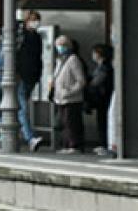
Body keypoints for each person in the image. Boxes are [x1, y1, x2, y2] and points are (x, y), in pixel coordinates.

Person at [50, 35, 87, 153]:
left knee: (71, 122)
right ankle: (67, 144)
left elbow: (81, 80)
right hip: (60, 98)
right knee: (64, 123)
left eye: (62, 45)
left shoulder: (73, 60)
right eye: (58, 46)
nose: (59, 48)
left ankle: (74, 145)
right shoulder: (60, 60)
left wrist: (69, 91)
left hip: (71, 98)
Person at [17, 11, 44, 152]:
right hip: (20, 76)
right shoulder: (21, 35)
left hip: (30, 76)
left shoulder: (37, 37)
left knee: (19, 107)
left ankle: (3, 136)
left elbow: (39, 57)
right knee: (21, 108)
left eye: (37, 20)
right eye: (33, 20)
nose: (36, 23)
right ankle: (30, 137)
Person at [87, 44, 114, 156]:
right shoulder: (103, 67)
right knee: (102, 120)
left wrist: (90, 84)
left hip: (103, 96)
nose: (93, 55)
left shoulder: (104, 67)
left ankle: (105, 143)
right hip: (103, 96)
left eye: (94, 53)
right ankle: (103, 143)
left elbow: (97, 82)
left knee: (103, 120)